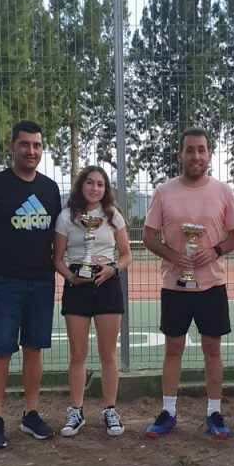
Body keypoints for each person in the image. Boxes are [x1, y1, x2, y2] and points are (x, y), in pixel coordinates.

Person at [142, 126, 234, 439]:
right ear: (180, 155)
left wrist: (215, 251)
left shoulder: (223, 191)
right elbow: (148, 236)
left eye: (201, 149)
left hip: (212, 285)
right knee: (173, 348)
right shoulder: (164, 192)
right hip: (175, 285)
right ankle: (168, 411)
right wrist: (174, 256)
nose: (196, 156)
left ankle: (214, 412)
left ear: (210, 155)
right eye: (189, 150)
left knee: (212, 348)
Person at [0, 120, 62, 448]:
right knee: (2, 349)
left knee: (34, 348)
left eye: (37, 145)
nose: (31, 151)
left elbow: (59, 237)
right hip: (5, 282)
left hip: (42, 282)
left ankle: (30, 413)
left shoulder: (50, 190)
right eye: (25, 144)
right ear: (12, 147)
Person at [53, 166, 132, 437]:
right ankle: (76, 411)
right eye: (90, 182)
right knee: (78, 354)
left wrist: (113, 269)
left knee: (108, 353)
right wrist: (71, 278)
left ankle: (110, 409)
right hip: (77, 284)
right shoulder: (66, 217)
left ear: (105, 188)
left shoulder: (113, 216)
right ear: (81, 185)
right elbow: (57, 258)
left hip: (107, 283)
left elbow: (126, 255)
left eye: (100, 184)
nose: (95, 188)